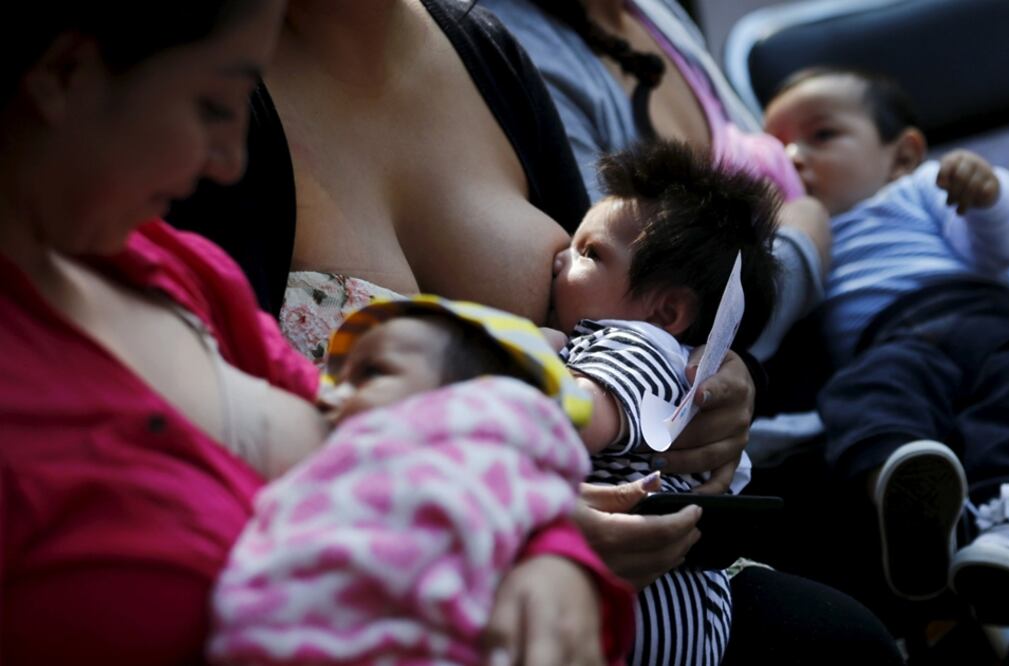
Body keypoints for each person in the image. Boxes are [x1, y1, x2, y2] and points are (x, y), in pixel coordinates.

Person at [0, 3, 633, 664]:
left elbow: (404, 437)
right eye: (212, 106)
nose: (228, 159)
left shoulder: (171, 269)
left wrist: (546, 551)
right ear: (63, 73)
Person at [166, 0, 758, 592]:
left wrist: (708, 369)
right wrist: (490, 509)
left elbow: (631, 296)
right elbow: (198, 424)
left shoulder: (486, 48)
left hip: (644, 578)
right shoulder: (199, 99)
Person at [762, 67, 1009, 634]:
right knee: (863, 395)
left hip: (989, 319)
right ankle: (918, 502)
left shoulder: (923, 188)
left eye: (822, 135)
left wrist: (992, 194)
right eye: (779, 147)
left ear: (903, 154)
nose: (794, 155)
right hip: (892, 348)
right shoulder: (801, 244)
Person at [210, 296, 634, 664]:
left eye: (372, 373)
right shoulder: (339, 461)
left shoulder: (488, 458)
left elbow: (546, 522)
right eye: (336, 378)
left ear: (468, 402)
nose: (327, 396)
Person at [478, 0, 831, 362]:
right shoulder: (523, 49)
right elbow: (629, 304)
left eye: (586, 253)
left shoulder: (657, 10)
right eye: (588, 253)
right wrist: (807, 234)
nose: (558, 260)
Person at [547, 139, 780, 666]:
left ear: (666, 312)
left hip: (629, 611)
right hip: (692, 620)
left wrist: (522, 360)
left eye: (590, 253)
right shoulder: (678, 366)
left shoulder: (632, 345)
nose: (560, 255)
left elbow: (573, 420)